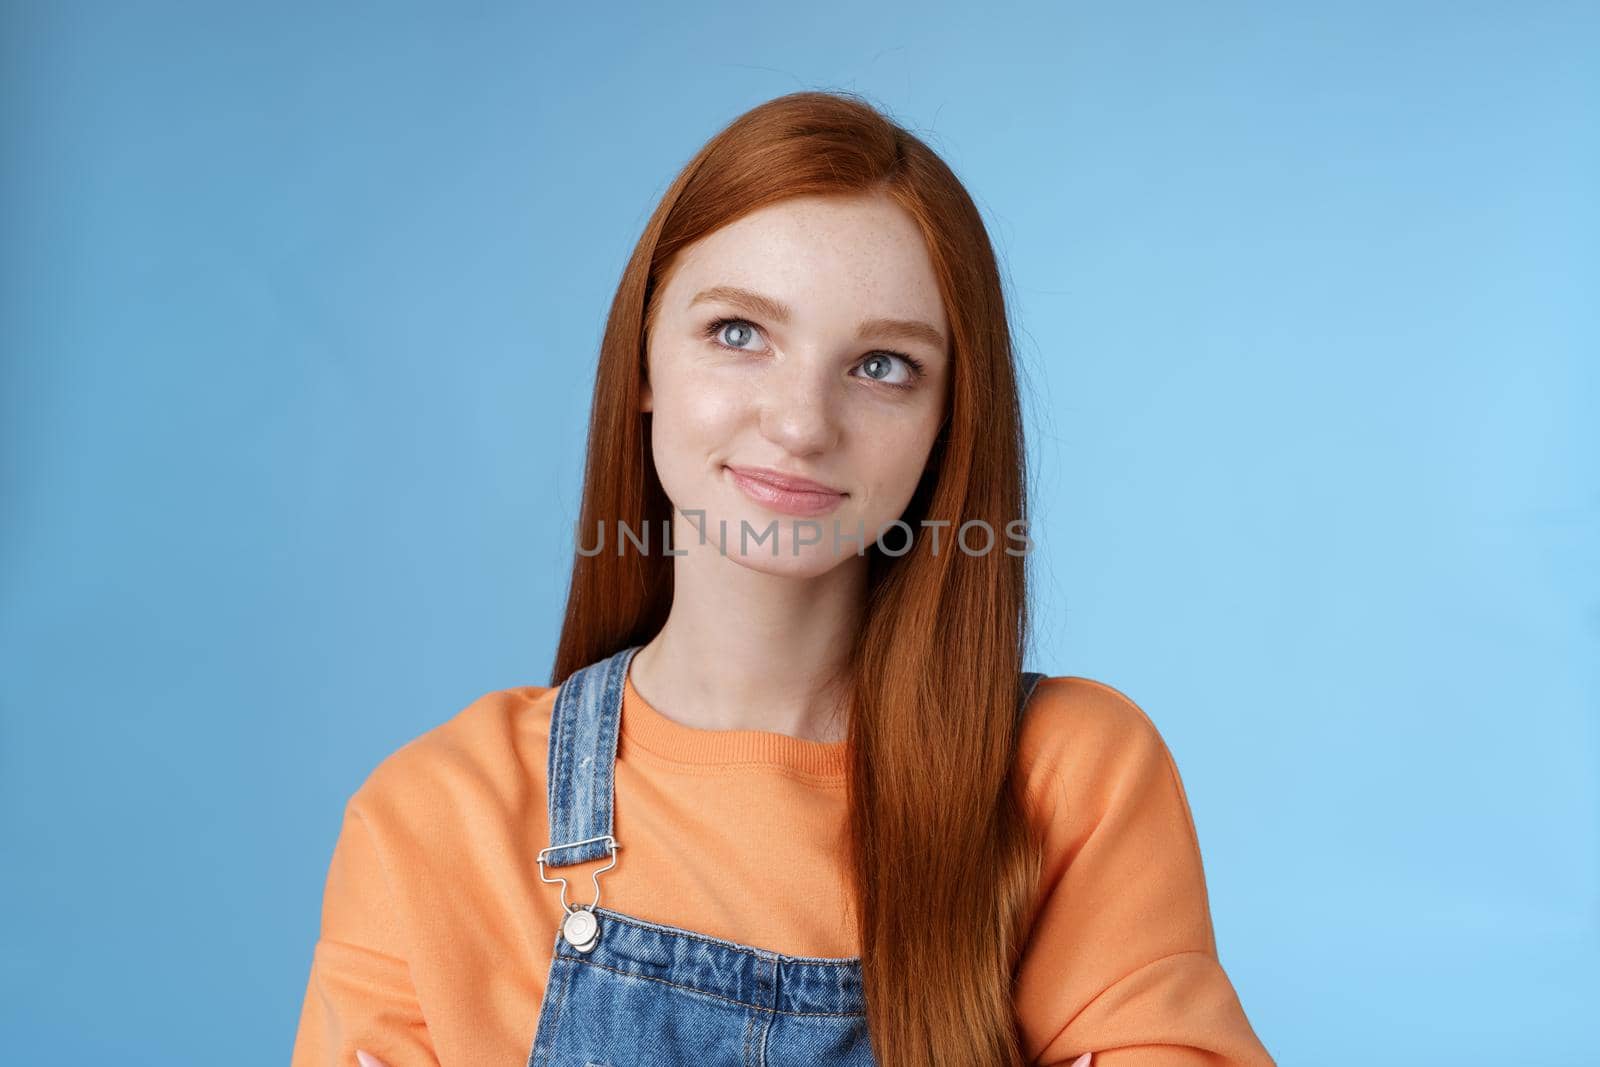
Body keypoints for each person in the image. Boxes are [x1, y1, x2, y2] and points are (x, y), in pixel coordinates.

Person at [291, 90, 1274, 1066]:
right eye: (738, 332)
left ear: (946, 425)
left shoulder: (1066, 778)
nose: (802, 422)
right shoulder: (433, 819)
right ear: (641, 362)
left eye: (883, 364)